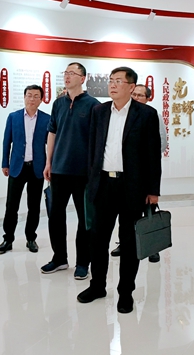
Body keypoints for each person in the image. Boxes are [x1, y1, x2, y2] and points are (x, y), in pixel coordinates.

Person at [77, 67, 162, 314]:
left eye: (118, 81)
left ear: (131, 87)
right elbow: (93, 148)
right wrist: (91, 179)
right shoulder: (99, 111)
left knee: (129, 242)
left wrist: (153, 190)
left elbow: (152, 155)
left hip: (132, 187)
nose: (112, 85)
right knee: (97, 239)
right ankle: (97, 286)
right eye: (111, 80)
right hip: (103, 184)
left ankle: (126, 293)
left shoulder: (146, 114)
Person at [41, 62, 100, 279]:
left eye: (72, 73)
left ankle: (83, 262)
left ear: (83, 78)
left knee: (85, 220)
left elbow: (97, 140)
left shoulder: (94, 106)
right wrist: (48, 162)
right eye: (65, 73)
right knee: (55, 216)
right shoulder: (58, 103)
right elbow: (52, 133)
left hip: (83, 173)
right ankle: (59, 258)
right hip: (59, 170)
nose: (67, 76)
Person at [110, 83, 167, 262]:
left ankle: (152, 246)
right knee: (126, 214)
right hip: (125, 175)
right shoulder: (123, 115)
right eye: (134, 94)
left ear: (148, 99)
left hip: (145, 173)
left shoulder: (152, 115)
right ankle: (124, 243)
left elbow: (161, 144)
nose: (136, 98)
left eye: (140, 95)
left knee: (148, 212)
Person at [0, 85, 50, 254]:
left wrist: (50, 165)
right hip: (17, 167)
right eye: (29, 95)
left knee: (34, 206)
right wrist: (5, 163)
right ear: (24, 97)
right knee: (11, 205)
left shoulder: (46, 119)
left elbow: (50, 144)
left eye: (36, 96)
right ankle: (8, 239)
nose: (32, 99)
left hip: (37, 167)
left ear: (41, 100)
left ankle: (31, 238)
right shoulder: (14, 117)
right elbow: (7, 142)